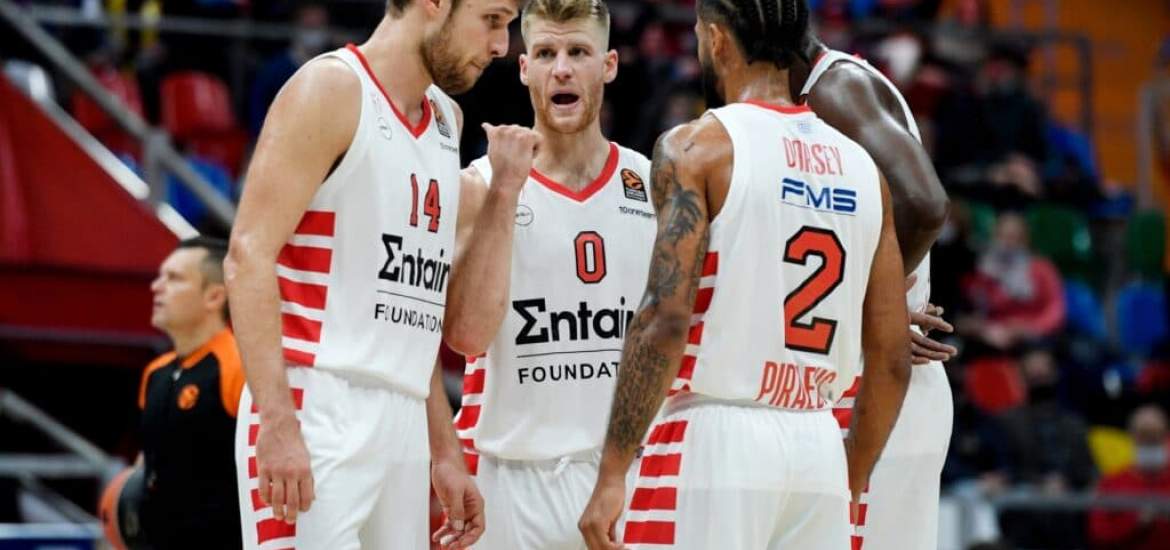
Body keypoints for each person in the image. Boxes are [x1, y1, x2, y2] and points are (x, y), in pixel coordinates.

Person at [578, 0, 912, 547]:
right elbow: (893, 357)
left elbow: (664, 320)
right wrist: (849, 474)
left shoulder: (697, 149)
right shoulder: (864, 169)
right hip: (819, 443)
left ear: (716, 40)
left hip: (717, 439)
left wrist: (613, 470)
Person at [224, 0, 525, 548]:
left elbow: (414, 310)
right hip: (316, 403)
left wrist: (445, 450)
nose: (502, 45)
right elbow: (247, 255)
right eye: (493, 19)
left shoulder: (446, 118)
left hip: (403, 416)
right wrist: (277, 421)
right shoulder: (331, 90)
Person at [443, 1, 656, 548]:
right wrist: (505, 191)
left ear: (608, 65)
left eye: (578, 52)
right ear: (524, 69)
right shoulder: (480, 185)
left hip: (629, 477)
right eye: (545, 53)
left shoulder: (653, 185)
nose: (561, 69)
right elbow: (466, 336)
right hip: (513, 481)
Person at [792, 17, 955, 550]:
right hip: (854, 375)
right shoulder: (811, 97)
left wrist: (870, 308)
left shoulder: (835, 88)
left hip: (882, 378)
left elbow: (925, 205)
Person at [138, 236, 244, 549]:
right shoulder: (155, 373)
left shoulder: (240, 367)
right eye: (160, 276)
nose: (156, 287)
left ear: (214, 296)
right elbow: (145, 466)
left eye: (174, 278)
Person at [1089, 404, 1170, 550]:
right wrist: (1137, 522)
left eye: (1156, 435)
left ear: (1166, 435)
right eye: (1144, 435)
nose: (1150, 441)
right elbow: (1099, 535)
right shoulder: (1111, 483)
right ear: (1131, 436)